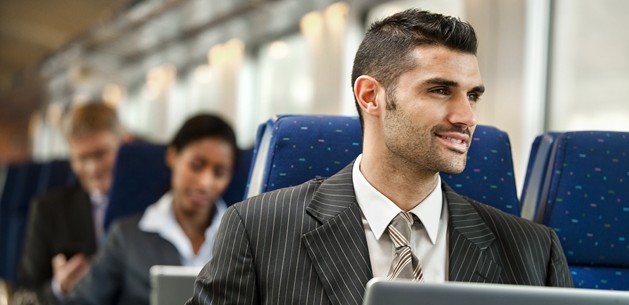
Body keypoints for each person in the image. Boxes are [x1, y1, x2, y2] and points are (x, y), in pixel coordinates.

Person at [187, 9, 573, 305]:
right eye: (440, 90)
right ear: (371, 96)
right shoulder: (260, 229)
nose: (467, 117)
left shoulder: (533, 251)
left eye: (472, 95)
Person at [61, 113, 238, 305]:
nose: (205, 183)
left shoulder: (242, 239)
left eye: (219, 173)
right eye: (196, 166)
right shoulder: (126, 236)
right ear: (172, 156)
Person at [16, 102, 123, 305]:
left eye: (101, 154)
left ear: (122, 146)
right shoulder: (49, 211)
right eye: (82, 159)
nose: (93, 168)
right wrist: (59, 288)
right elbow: (24, 298)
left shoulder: (151, 207)